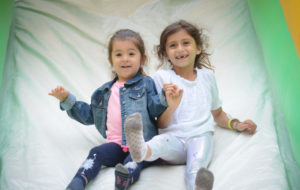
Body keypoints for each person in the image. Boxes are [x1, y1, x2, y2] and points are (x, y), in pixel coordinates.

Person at [124, 20, 257, 190]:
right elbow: (161, 123)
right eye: (173, 45)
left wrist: (236, 124)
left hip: (200, 137)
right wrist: (171, 105)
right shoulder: (162, 77)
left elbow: (218, 115)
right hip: (173, 140)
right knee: (159, 143)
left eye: (186, 43)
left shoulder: (207, 77)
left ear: (198, 48)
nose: (180, 49)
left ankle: (198, 186)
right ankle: (141, 150)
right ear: (165, 53)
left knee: (197, 164)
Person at [48, 29, 169, 190]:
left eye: (131, 54)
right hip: (116, 146)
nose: (125, 59)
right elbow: (89, 115)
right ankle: (78, 182)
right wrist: (67, 100)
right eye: (118, 54)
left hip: (141, 146)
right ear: (110, 60)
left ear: (142, 59)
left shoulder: (146, 84)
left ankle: (124, 178)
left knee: (134, 160)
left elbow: (155, 109)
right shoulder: (103, 92)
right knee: (96, 152)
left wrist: (165, 96)